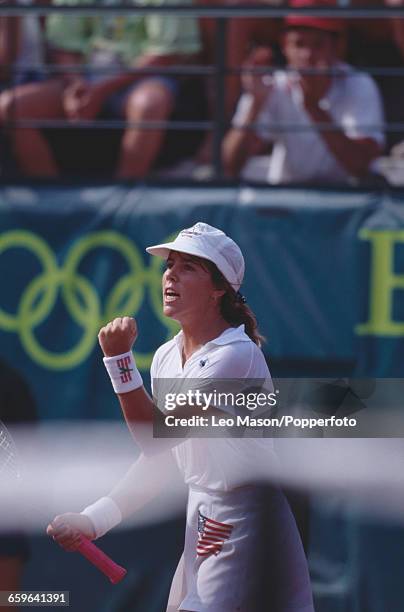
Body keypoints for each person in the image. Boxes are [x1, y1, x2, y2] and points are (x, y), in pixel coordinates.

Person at [47, 222, 314, 611]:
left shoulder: (235, 357)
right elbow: (163, 460)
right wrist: (94, 519)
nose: (170, 273)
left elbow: (157, 438)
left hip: (246, 521)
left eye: (189, 266)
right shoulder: (166, 357)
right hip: (203, 519)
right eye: (170, 264)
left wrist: (120, 361)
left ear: (219, 289)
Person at [0, 0, 206, 179]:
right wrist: (77, 83)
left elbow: (165, 55)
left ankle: (123, 199)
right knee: (11, 106)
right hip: (85, 79)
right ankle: (50, 199)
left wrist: (100, 91)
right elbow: (62, 44)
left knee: (150, 104)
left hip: (141, 79)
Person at [222, 0, 385, 184]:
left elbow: (361, 167)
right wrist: (255, 103)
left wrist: (312, 106)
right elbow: (230, 165)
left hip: (346, 206)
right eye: (299, 44)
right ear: (285, 47)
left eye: (318, 45)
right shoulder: (273, 86)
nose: (307, 55)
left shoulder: (359, 85)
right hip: (289, 203)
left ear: (336, 48)